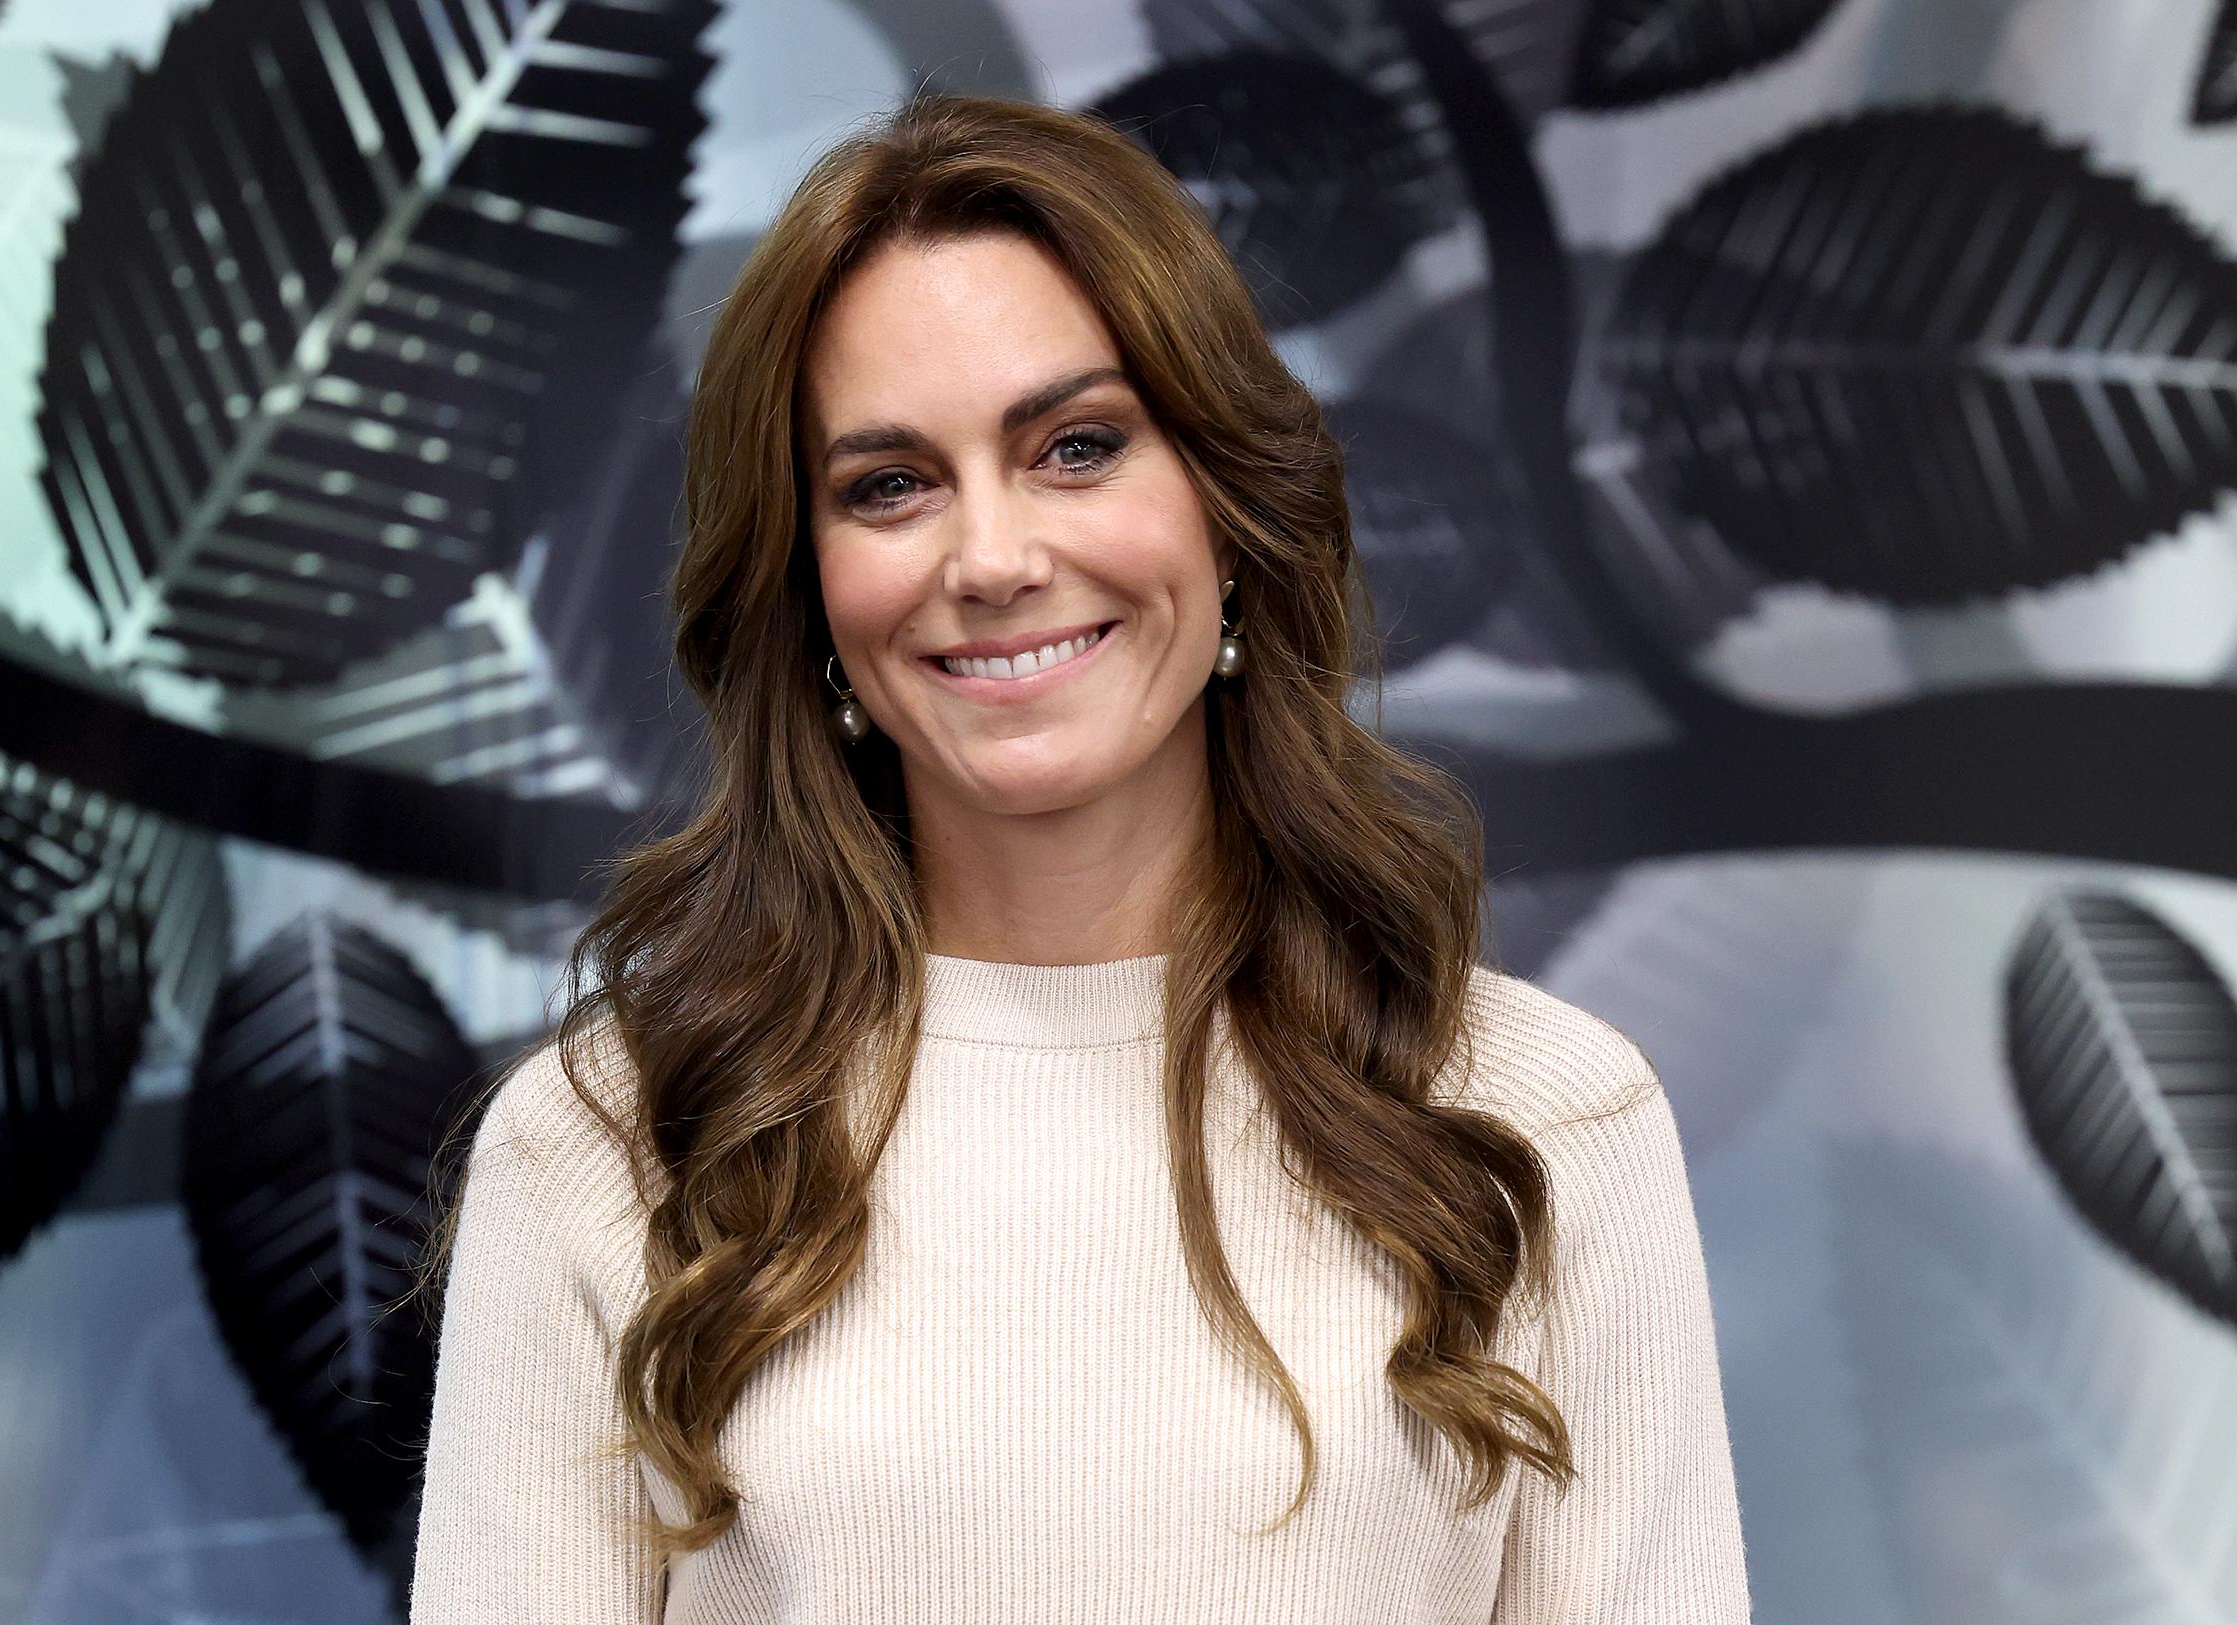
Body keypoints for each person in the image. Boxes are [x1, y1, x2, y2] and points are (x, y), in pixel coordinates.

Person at [407, 92, 1750, 1624]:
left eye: (1078, 446)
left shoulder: (1548, 1123)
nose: (991, 559)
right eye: (889, 485)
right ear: (810, 590)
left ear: (1231, 515)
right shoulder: (608, 1147)